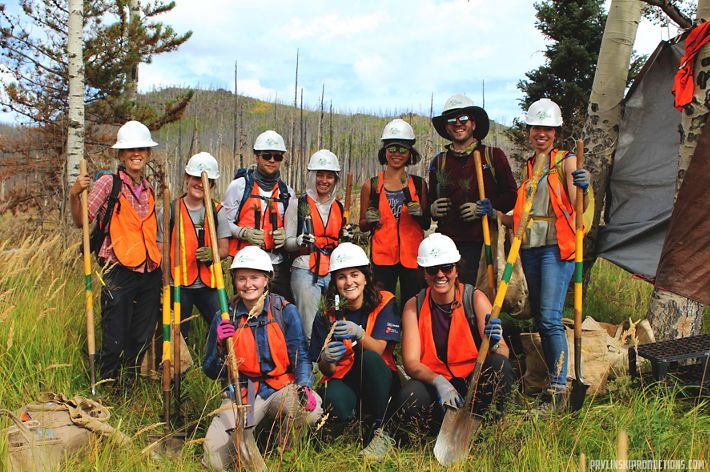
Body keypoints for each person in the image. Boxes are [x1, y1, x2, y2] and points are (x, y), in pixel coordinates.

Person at [499, 98, 590, 410]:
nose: (542, 133)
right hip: (531, 249)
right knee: (541, 317)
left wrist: (585, 186)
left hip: (557, 247)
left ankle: (559, 388)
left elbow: (581, 207)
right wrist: (495, 214)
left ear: (556, 131)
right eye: (537, 127)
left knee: (550, 318)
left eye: (548, 129)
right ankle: (553, 377)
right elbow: (521, 216)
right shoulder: (529, 167)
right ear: (529, 130)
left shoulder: (566, 161)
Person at [202, 246, 321, 470]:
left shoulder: (285, 311)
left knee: (310, 411)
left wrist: (304, 386)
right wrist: (219, 346)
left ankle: (283, 453)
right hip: (242, 392)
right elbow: (209, 370)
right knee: (213, 462)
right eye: (242, 278)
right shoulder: (225, 316)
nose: (248, 285)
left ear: (266, 279)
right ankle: (246, 440)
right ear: (234, 281)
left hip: (280, 387)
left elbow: (301, 356)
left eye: (255, 278)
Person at [391, 233, 514, 447]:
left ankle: (487, 427)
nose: (440, 275)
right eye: (432, 270)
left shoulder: (475, 299)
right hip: (436, 385)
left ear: (456, 270)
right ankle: (436, 429)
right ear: (425, 275)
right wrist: (439, 382)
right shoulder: (414, 306)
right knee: (411, 395)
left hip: (473, 383)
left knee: (499, 365)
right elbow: (411, 362)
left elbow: (503, 351)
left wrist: (495, 344)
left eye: (447, 268)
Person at [69, 120, 161, 383]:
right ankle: (105, 385)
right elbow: (81, 220)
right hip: (118, 271)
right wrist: (75, 195)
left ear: (148, 154)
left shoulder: (150, 190)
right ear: (120, 154)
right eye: (130, 149)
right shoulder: (108, 184)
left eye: (141, 149)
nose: (136, 154)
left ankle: (127, 387)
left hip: (149, 272)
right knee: (115, 337)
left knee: (141, 337)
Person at [308, 242, 401, 459]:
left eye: (355, 274)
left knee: (368, 358)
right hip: (344, 376)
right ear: (335, 282)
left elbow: (378, 350)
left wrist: (359, 333)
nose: (349, 282)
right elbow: (327, 371)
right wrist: (326, 359)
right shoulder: (327, 313)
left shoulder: (385, 301)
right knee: (335, 402)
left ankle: (381, 429)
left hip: (379, 376)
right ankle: (355, 421)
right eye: (341, 277)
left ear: (366, 277)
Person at [428, 94, 518, 285]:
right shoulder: (439, 162)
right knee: (448, 293)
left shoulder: (492, 156)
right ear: (446, 127)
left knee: (479, 294)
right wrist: (432, 208)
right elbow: (429, 200)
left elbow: (511, 194)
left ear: (474, 124)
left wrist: (486, 209)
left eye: (463, 119)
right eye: (451, 120)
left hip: (483, 241)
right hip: (447, 243)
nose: (457, 124)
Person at [156, 152, 230, 342]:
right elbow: (160, 250)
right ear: (187, 178)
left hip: (209, 283)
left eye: (206, 180)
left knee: (225, 326)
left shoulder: (218, 211)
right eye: (196, 178)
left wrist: (213, 254)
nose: (200, 184)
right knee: (178, 336)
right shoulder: (170, 210)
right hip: (178, 283)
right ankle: (179, 369)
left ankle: (220, 364)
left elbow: (224, 249)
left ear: (212, 184)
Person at [359, 118, 429, 310]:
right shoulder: (371, 185)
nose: (397, 154)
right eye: (392, 149)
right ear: (384, 152)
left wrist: (419, 214)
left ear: (410, 153)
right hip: (382, 256)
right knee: (381, 302)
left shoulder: (419, 184)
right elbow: (362, 225)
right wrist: (369, 220)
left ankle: (412, 337)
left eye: (402, 149)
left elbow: (425, 223)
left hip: (413, 256)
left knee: (414, 303)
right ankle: (382, 338)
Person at [222, 130, 296, 301]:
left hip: (277, 263)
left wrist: (286, 235)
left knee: (280, 310)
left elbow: (294, 229)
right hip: (245, 262)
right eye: (266, 155)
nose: (272, 160)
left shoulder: (287, 193)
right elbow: (223, 223)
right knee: (246, 311)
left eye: (277, 157)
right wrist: (243, 233)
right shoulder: (239, 187)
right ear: (257, 157)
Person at [285, 149, 347, 342]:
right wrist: (299, 241)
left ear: (335, 179)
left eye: (330, 176)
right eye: (320, 175)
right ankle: (308, 363)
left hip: (333, 270)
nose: (324, 180)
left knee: (336, 315)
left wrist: (346, 238)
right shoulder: (298, 204)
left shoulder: (339, 206)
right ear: (312, 176)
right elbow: (287, 244)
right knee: (308, 322)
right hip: (305, 268)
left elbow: (339, 239)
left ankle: (333, 358)